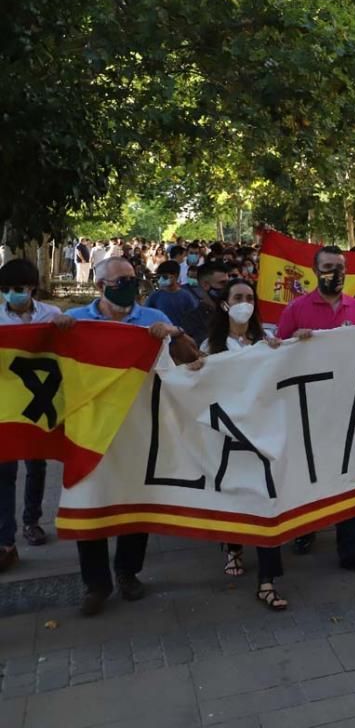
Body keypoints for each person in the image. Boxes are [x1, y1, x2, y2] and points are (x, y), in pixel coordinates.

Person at [65, 255, 182, 615]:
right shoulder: (76, 322)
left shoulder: (154, 319)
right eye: (120, 281)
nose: (129, 284)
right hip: (90, 430)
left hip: (138, 427)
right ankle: (96, 584)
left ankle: (128, 572)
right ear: (100, 286)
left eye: (132, 277)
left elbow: (187, 361)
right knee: (90, 504)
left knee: (135, 500)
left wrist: (174, 337)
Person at [275, 246, 355, 574]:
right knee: (310, 472)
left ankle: (351, 548)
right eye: (327, 266)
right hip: (309, 408)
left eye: (338, 266)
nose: (333, 272)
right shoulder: (295, 309)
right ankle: (305, 529)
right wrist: (294, 339)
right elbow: (276, 356)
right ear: (314, 269)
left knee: (350, 476)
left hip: (350, 406)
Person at [187, 282, 289, 610]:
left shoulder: (266, 339)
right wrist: (197, 370)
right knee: (235, 496)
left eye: (249, 298)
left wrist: (291, 349)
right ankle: (233, 548)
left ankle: (267, 580)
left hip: (262, 433)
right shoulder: (212, 346)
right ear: (226, 305)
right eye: (238, 298)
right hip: (228, 434)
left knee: (266, 501)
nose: (244, 303)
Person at [0, 260, 73, 572]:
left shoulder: (51, 316)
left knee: (36, 464)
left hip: (39, 402)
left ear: (31, 288)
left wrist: (65, 328)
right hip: (5, 406)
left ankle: (32, 521)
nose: (11, 295)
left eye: (18, 289)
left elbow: (69, 350)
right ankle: (5, 539)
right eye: (5, 290)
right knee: (4, 472)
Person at [179, 262, 231, 346]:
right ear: (205, 285)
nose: (227, 288)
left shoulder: (231, 313)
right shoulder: (191, 320)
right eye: (222, 283)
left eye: (228, 283)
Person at [145, 260, 199, 326]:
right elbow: (146, 315)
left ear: (175, 276)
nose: (161, 279)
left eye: (164, 276)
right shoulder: (155, 296)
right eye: (160, 277)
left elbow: (195, 318)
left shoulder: (186, 296)